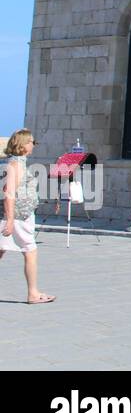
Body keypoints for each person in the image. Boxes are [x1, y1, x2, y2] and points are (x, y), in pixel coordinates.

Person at [0, 129, 55, 304]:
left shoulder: (15, 163)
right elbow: (8, 192)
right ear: (23, 145)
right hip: (17, 217)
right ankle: (33, 293)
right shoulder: (15, 165)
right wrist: (9, 221)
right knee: (30, 251)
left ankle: (33, 292)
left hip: (18, 215)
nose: (34, 145)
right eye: (32, 142)